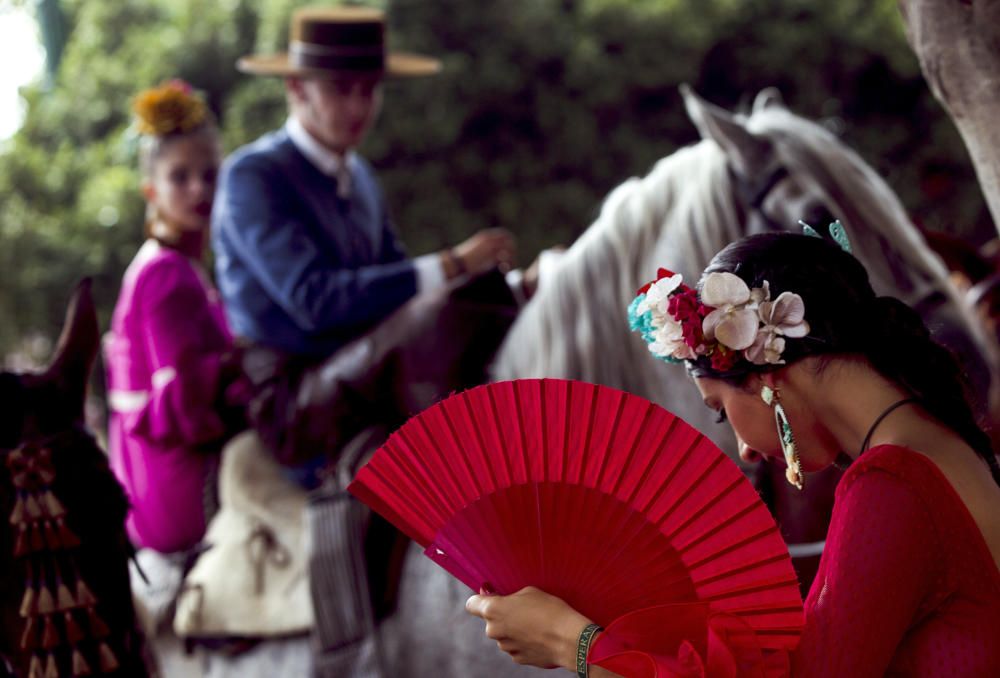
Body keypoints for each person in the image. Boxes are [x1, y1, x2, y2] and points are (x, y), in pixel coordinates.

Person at [465, 231, 1000, 676]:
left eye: (720, 410)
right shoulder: (936, 443)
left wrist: (574, 644)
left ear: (768, 378)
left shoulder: (894, 481)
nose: (744, 450)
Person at [212, 5, 519, 479]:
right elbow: (313, 300)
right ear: (296, 88)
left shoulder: (360, 177)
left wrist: (501, 285)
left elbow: (404, 287)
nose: (358, 107)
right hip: (293, 401)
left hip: (368, 373)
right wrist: (453, 265)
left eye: (369, 89)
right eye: (340, 89)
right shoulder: (253, 176)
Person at [104, 80, 246, 554]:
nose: (198, 189)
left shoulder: (176, 265)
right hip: (178, 481)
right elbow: (185, 402)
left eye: (210, 174)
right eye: (180, 177)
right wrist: (244, 359)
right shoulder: (166, 275)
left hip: (159, 474)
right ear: (151, 190)